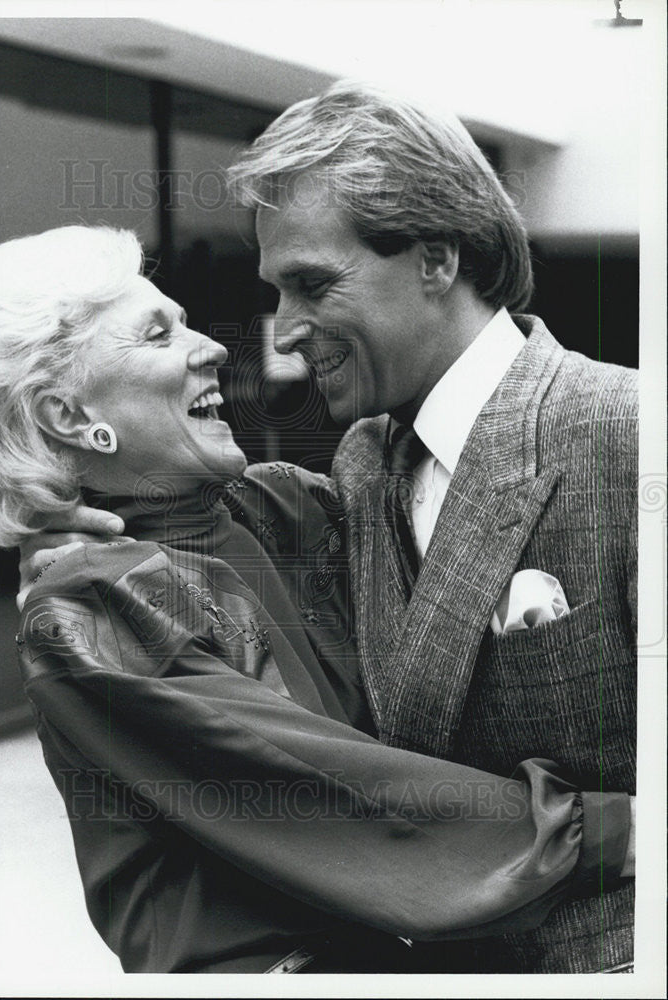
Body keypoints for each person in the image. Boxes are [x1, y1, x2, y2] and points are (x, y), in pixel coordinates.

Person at [0, 225, 634, 974]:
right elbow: (345, 803)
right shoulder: (90, 606)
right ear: (69, 417)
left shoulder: (281, 508)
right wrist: (614, 832)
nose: (209, 348)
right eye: (156, 334)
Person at [225, 80, 638, 973]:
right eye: (276, 291)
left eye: (311, 285)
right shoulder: (362, 460)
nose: (286, 332)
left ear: (436, 258)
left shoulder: (628, 434)